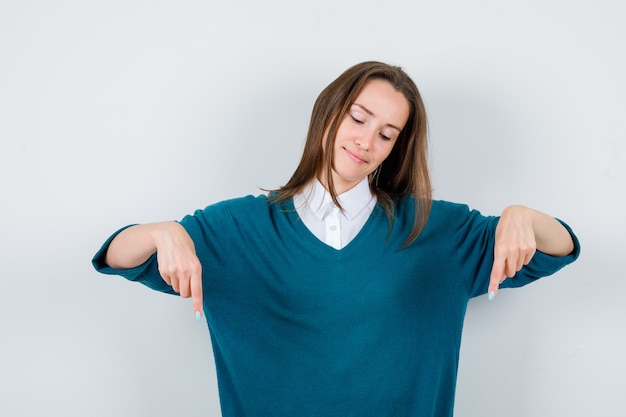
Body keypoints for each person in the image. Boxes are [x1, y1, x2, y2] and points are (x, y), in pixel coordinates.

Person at [92, 61, 579, 417]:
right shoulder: (233, 230)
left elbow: (559, 249)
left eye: (387, 134)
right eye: (359, 117)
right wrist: (164, 232)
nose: (367, 141)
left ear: (396, 149)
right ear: (329, 113)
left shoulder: (439, 231)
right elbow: (117, 256)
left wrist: (523, 217)